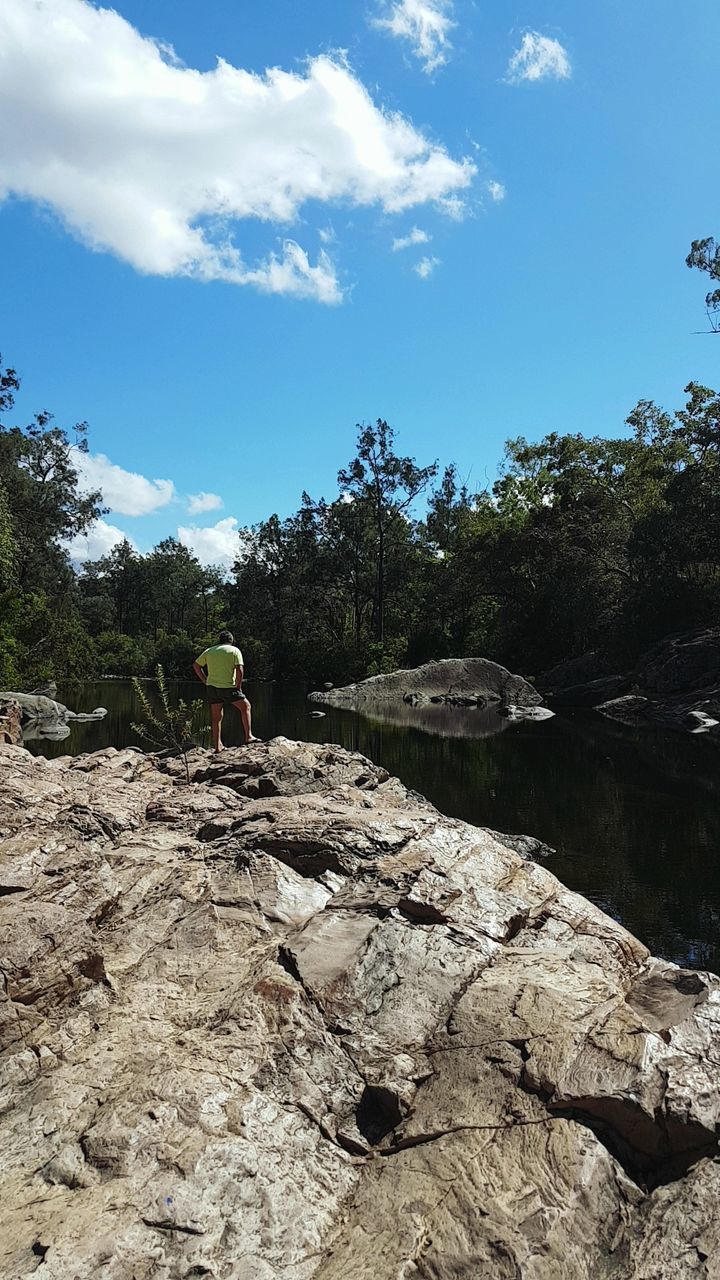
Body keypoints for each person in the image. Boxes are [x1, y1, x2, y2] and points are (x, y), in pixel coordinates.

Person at [193, 630, 258, 752]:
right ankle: (248, 736)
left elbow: (196, 665)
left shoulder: (209, 651)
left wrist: (204, 679)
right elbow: (240, 670)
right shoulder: (234, 651)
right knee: (246, 707)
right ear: (231, 641)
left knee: (216, 717)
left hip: (212, 687)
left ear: (220, 640)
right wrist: (238, 686)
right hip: (229, 687)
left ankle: (217, 746)